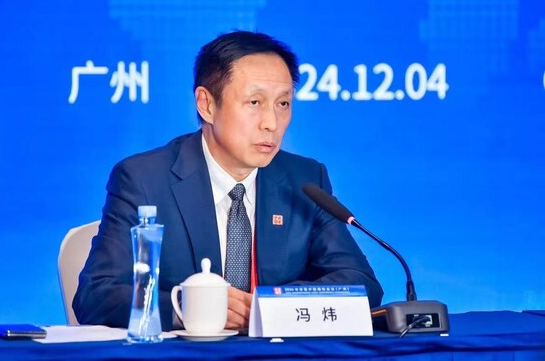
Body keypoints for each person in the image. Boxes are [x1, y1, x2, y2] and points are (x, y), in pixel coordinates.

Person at [73, 31, 383, 331]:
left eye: (283, 104)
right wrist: (186, 307)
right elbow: (95, 295)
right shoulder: (143, 179)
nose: (271, 123)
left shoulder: (305, 180)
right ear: (206, 104)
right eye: (254, 103)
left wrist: (272, 306)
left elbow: (361, 283)